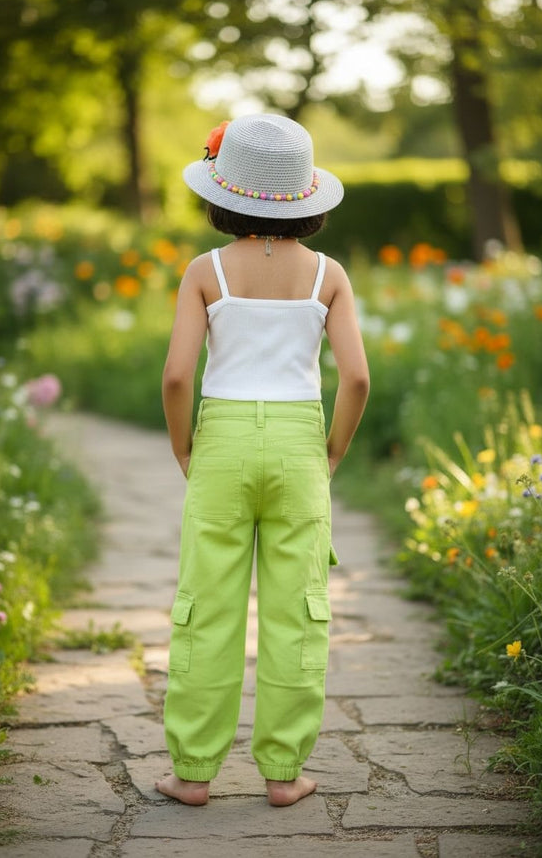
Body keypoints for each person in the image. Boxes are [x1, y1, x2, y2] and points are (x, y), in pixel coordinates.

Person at [157, 114, 369, 808]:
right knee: (297, 610)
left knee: (207, 605)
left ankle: (192, 773)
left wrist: (186, 445)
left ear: (224, 195)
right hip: (299, 444)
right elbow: (358, 379)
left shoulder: (205, 271)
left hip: (220, 441)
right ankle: (284, 774)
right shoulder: (328, 276)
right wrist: (329, 451)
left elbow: (177, 378)